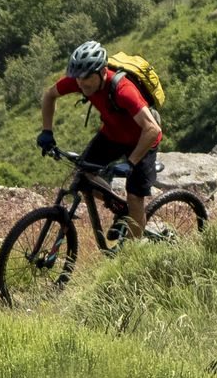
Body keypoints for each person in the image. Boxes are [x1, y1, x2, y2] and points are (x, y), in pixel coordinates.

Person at [37, 39, 164, 234]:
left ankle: (133, 252)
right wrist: (47, 131)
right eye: (77, 77)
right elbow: (49, 95)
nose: (81, 82)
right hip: (112, 135)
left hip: (142, 140)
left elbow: (152, 129)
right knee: (83, 175)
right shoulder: (80, 81)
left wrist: (130, 163)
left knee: (135, 196)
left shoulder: (124, 90)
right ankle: (120, 209)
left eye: (86, 77)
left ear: (102, 72)